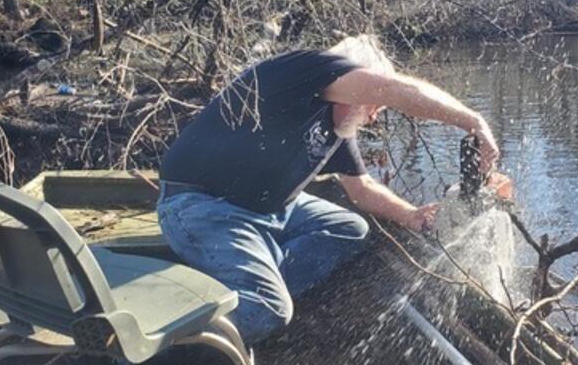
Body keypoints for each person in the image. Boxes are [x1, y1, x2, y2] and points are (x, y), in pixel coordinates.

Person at [157, 34, 515, 344]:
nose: (374, 116)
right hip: (201, 208)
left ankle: (246, 281)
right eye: (374, 106)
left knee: (349, 228)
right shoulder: (303, 71)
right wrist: (473, 121)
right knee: (270, 309)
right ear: (353, 81)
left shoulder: (337, 125)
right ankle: (162, 341)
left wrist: (412, 215)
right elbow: (391, 88)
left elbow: (362, 190)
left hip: (267, 211)